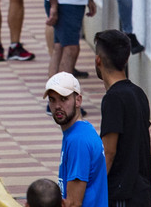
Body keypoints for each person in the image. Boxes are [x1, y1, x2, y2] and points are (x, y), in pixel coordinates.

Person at [93, 29, 151, 207]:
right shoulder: (138, 93)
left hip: (122, 195)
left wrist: (93, 189)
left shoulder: (113, 99)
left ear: (98, 60)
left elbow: (109, 152)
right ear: (126, 59)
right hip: (143, 191)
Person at [43, 72, 108, 207]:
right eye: (52, 99)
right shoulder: (81, 130)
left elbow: (73, 203)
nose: (57, 106)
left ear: (78, 100)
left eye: (64, 99)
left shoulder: (78, 140)